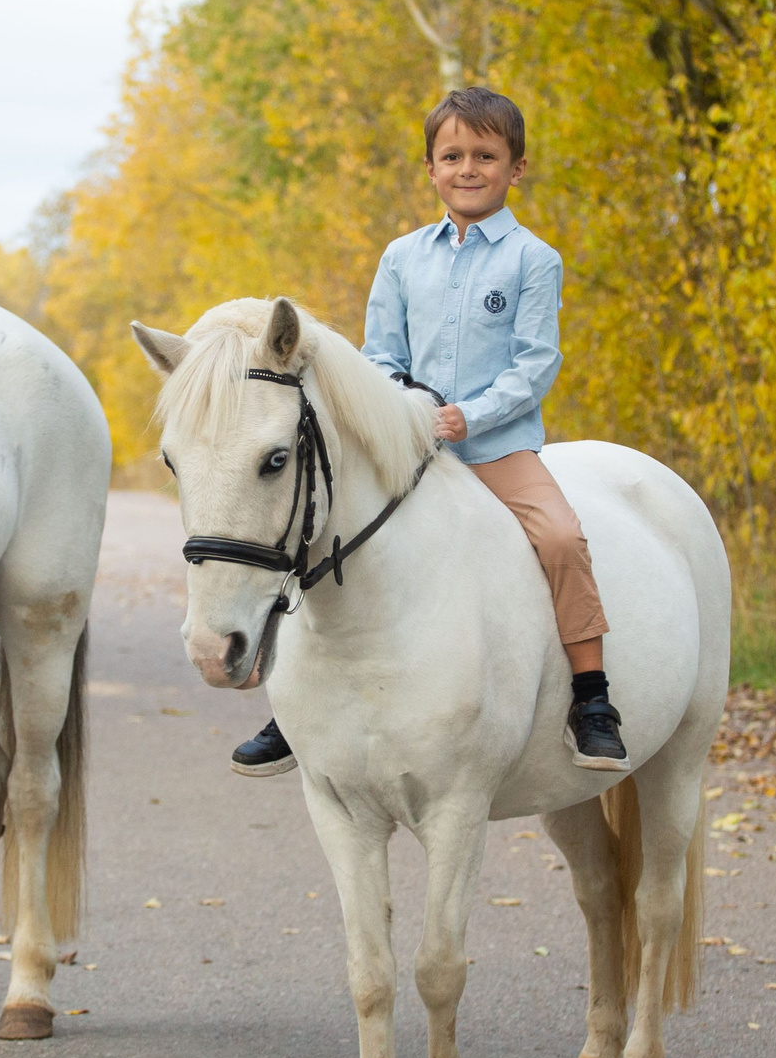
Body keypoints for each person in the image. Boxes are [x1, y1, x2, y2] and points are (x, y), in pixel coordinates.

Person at [230, 85, 628, 775]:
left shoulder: (533, 260)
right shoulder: (402, 257)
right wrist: (406, 406)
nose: (468, 168)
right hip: (406, 443)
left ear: (516, 168)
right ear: (430, 168)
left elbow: (535, 364)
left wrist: (469, 415)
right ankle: (294, 704)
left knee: (561, 536)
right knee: (316, 527)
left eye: (485, 156)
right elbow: (380, 353)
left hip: (495, 446)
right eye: (452, 156)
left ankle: (592, 696)